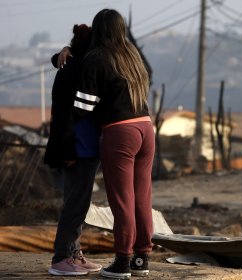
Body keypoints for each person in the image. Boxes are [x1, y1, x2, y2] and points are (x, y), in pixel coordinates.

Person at [74, 9, 155, 280]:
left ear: (98, 29)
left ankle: (122, 261)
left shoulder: (96, 58)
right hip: (146, 127)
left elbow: (83, 106)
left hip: (119, 133)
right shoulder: (132, 55)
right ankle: (142, 258)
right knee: (142, 197)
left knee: (122, 201)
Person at [44, 24, 102, 276]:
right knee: (75, 204)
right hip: (78, 147)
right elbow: (65, 115)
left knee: (78, 202)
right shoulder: (76, 70)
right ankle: (62, 257)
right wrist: (68, 150)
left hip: (82, 146)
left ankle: (73, 252)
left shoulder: (73, 66)